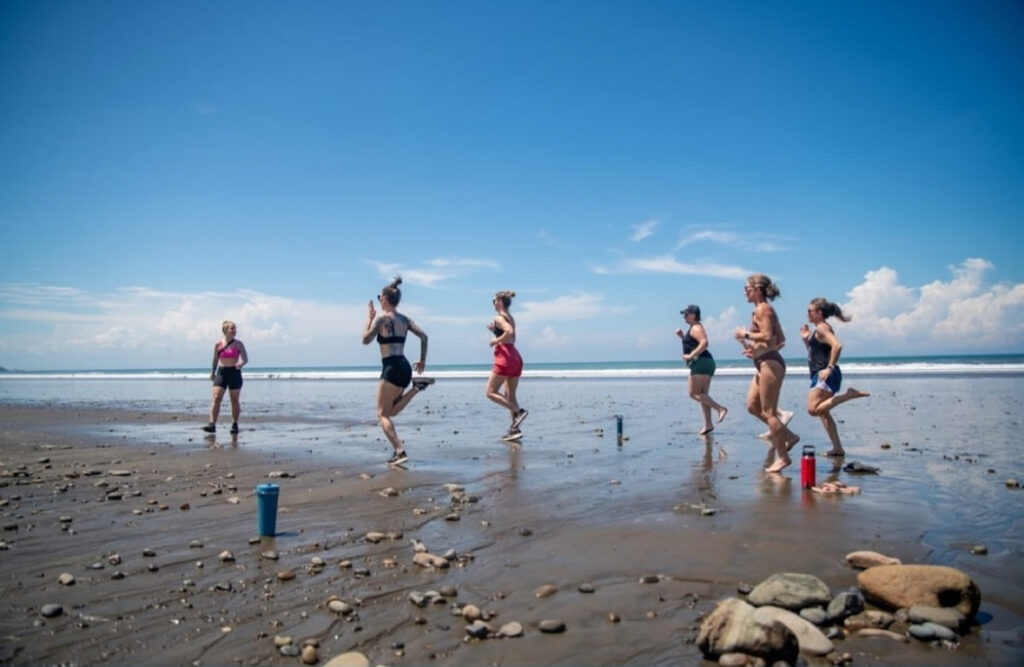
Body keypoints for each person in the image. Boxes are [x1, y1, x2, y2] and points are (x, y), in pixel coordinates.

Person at [362, 276, 433, 466]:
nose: (379, 300)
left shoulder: (381, 320)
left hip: (391, 368)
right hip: (404, 367)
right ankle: (416, 388)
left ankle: (399, 451)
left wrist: (369, 320)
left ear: (385, 299)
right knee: (391, 411)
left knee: (382, 414)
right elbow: (424, 336)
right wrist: (423, 360)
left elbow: (365, 340)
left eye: (380, 297)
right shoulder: (405, 320)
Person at [734, 274, 800, 473]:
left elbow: (769, 336)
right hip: (764, 361)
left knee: (769, 412)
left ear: (757, 289)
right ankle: (789, 436)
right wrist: (755, 350)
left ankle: (783, 457)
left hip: (770, 363)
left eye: (747, 288)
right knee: (753, 407)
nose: (744, 291)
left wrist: (745, 335)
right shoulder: (760, 310)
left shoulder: (763, 309)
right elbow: (780, 339)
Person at [801, 298, 870, 457]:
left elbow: (837, 346)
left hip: (825, 374)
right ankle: (837, 448)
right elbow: (816, 353)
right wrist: (806, 339)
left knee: (813, 410)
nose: (807, 314)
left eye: (810, 311)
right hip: (821, 374)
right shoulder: (818, 329)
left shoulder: (822, 329)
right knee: (824, 413)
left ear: (819, 313)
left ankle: (848, 395)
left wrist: (829, 368)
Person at [675, 305, 727, 435]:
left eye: (686, 314)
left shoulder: (696, 327)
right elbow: (694, 344)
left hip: (701, 362)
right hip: (706, 362)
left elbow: (704, 343)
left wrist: (691, 356)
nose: (684, 317)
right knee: (703, 396)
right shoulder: (694, 328)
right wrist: (682, 337)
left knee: (693, 394)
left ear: (693, 315)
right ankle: (708, 425)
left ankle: (720, 409)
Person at [485, 290, 528, 441]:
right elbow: (510, 335)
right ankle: (515, 430)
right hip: (515, 358)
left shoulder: (498, 317)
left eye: (494, 300)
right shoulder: (510, 317)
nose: (493, 303)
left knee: (490, 392)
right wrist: (496, 333)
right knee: (510, 396)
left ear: (500, 302)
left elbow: (509, 332)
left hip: (505, 358)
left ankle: (518, 411)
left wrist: (495, 340)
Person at [202, 320, 248, 434]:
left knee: (234, 400)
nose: (234, 330)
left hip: (234, 372)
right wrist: (213, 372)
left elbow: (245, 358)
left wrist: (241, 363)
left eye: (235, 328)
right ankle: (212, 424)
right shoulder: (218, 345)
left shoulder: (239, 344)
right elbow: (215, 359)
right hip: (222, 372)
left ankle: (234, 424)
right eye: (232, 328)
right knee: (216, 397)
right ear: (225, 330)